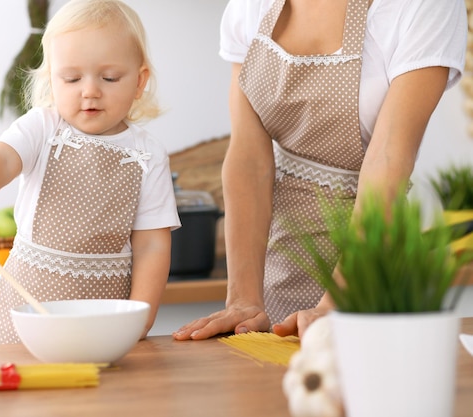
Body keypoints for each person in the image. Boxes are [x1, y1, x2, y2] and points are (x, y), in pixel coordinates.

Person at [173, 0, 467, 341]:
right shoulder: (251, 7)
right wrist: (244, 299)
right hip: (280, 258)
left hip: (373, 272)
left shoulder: (424, 6)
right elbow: (249, 159)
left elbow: (389, 158)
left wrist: (339, 300)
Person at [0, 0, 180, 345]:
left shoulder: (148, 154)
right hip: (27, 306)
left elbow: (152, 244)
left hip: (105, 316)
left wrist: (141, 314)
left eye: (109, 77)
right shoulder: (43, 128)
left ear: (139, 82)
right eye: (72, 77)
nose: (90, 90)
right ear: (52, 80)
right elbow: (1, 158)